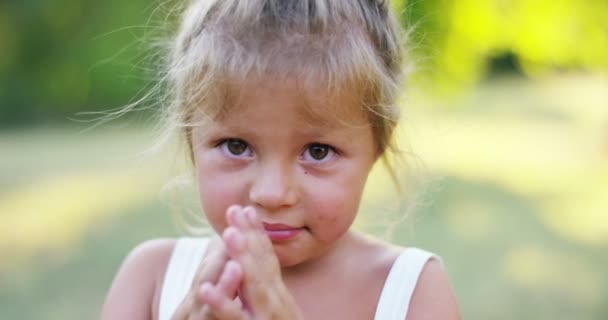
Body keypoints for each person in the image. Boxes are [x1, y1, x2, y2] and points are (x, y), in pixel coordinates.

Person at [101, 0, 460, 319]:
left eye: (318, 152)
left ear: (378, 146)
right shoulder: (151, 279)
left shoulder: (412, 291)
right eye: (236, 146)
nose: (272, 194)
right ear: (190, 141)